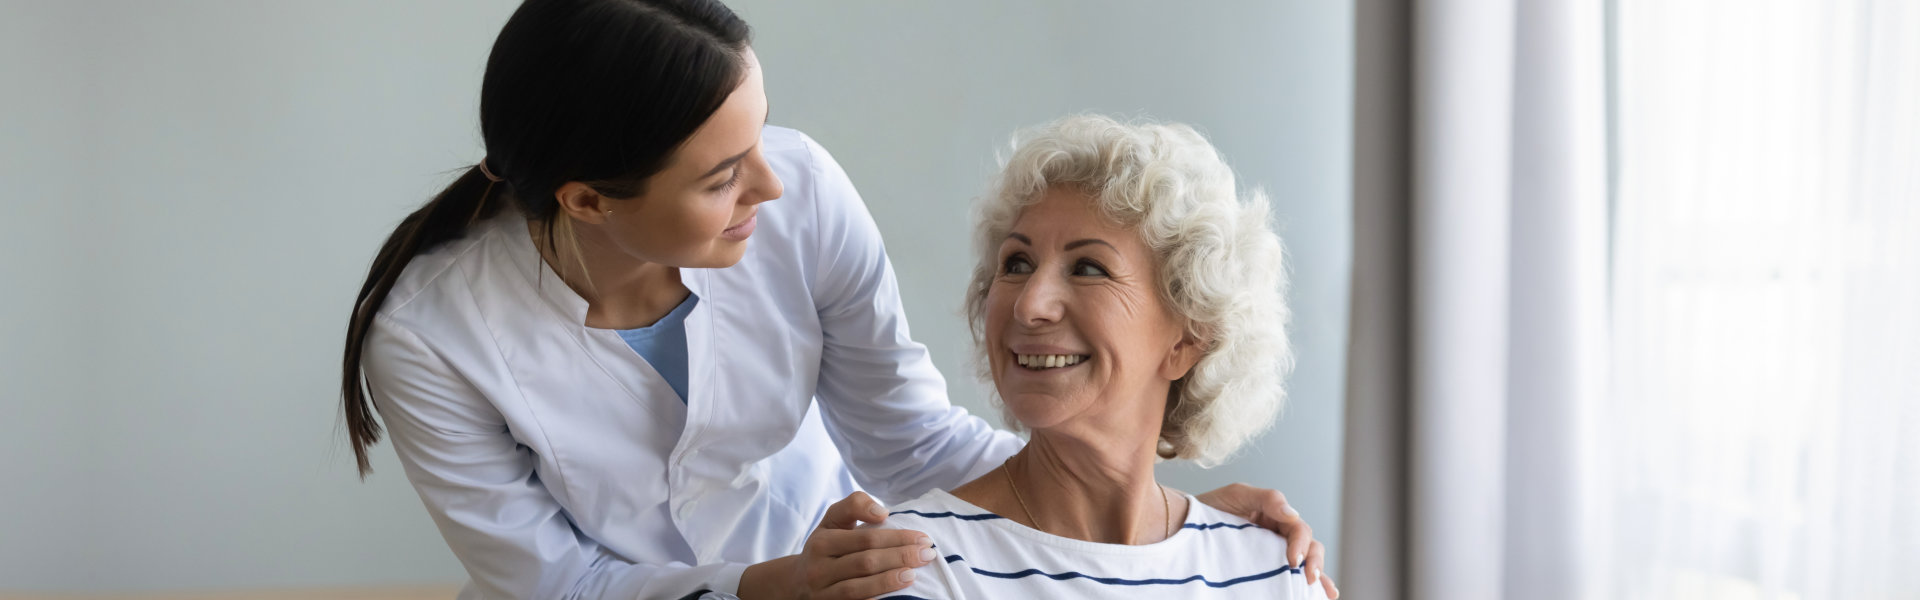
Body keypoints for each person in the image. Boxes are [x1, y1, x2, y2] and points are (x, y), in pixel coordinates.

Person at [339, 2, 1331, 599]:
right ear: (588, 200)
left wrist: (1160, 515)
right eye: (724, 176)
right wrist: (768, 587)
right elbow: (557, 587)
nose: (772, 187)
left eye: (762, 139)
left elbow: (908, 438)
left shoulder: (801, 191)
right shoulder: (432, 337)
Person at [872, 114, 1337, 599]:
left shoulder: (1270, 573)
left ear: (1186, 342)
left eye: (1089, 268)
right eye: (1017, 264)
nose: (1030, 305)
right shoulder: (908, 565)